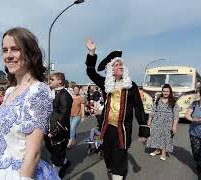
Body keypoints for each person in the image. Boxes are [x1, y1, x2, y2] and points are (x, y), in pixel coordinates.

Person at [0, 27, 59, 180]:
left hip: (20, 173)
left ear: (30, 53)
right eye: (5, 50)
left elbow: (34, 152)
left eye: (15, 49)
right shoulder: (10, 91)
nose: (8, 56)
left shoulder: (38, 91)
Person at [85, 38, 149, 180]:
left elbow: (139, 107)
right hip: (106, 128)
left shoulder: (130, 85)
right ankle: (112, 170)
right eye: (116, 65)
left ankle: (118, 174)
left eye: (121, 64)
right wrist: (92, 53)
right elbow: (90, 72)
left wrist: (143, 130)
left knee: (120, 157)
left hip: (123, 129)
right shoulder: (105, 83)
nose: (120, 66)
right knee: (108, 156)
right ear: (110, 69)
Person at [44, 72, 73, 178]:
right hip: (49, 128)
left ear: (59, 81)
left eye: (52, 79)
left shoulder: (64, 94)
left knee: (57, 154)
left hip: (58, 131)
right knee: (53, 151)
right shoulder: (53, 93)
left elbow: (64, 114)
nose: (49, 81)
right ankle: (64, 162)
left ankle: (55, 175)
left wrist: (55, 131)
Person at [146, 84, 180, 160]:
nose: (165, 93)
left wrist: (174, 126)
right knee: (157, 136)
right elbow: (153, 111)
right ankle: (158, 150)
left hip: (168, 123)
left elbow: (176, 115)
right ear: (162, 91)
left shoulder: (173, 101)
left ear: (170, 92)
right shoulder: (158, 100)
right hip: (157, 121)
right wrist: (149, 120)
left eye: (167, 91)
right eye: (164, 91)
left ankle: (163, 152)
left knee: (165, 137)